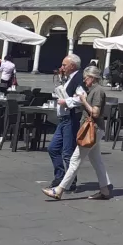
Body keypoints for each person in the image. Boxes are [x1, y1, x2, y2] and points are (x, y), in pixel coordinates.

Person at [42, 66, 111, 200]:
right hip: (95, 129)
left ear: (92, 78)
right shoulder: (93, 91)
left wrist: (84, 101)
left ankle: (59, 190)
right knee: (97, 161)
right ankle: (105, 190)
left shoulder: (98, 91)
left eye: (86, 78)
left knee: (74, 160)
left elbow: (95, 113)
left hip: (92, 129)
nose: (84, 81)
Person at [48, 53, 83, 191]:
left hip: (71, 119)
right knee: (53, 148)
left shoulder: (79, 78)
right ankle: (60, 176)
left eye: (64, 65)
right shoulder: (69, 78)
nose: (62, 67)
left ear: (72, 66)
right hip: (63, 119)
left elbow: (82, 98)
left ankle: (71, 181)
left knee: (68, 152)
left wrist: (66, 101)